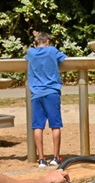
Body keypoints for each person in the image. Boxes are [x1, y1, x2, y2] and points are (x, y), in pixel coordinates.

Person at [25, 31, 67, 167]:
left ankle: (41, 159)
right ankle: (55, 157)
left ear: (36, 43)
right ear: (48, 42)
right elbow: (64, 58)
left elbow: (27, 56)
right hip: (52, 92)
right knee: (55, 125)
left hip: (36, 93)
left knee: (38, 126)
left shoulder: (31, 52)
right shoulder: (52, 50)